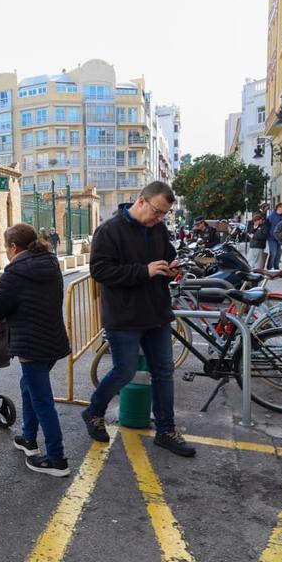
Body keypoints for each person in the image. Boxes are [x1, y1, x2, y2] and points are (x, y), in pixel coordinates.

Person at [81, 181, 196, 458]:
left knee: (164, 372)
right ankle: (94, 410)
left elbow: (166, 255)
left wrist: (171, 267)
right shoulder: (109, 230)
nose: (159, 218)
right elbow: (100, 271)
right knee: (125, 371)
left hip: (156, 312)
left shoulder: (157, 228)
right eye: (157, 211)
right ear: (141, 201)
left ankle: (166, 430)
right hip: (124, 315)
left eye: (163, 214)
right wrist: (144, 271)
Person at [0, 223, 72, 477]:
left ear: (13, 247)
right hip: (53, 342)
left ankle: (57, 459)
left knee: (42, 400)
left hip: (32, 345)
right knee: (28, 387)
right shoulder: (50, 263)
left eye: (6, 247)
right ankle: (28, 438)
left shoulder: (15, 272)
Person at [266, 203, 282, 270]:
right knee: (273, 253)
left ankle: (276, 267)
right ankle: (269, 267)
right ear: (278, 208)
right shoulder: (271, 216)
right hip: (272, 238)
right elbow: (267, 227)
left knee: (279, 254)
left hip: (281, 238)